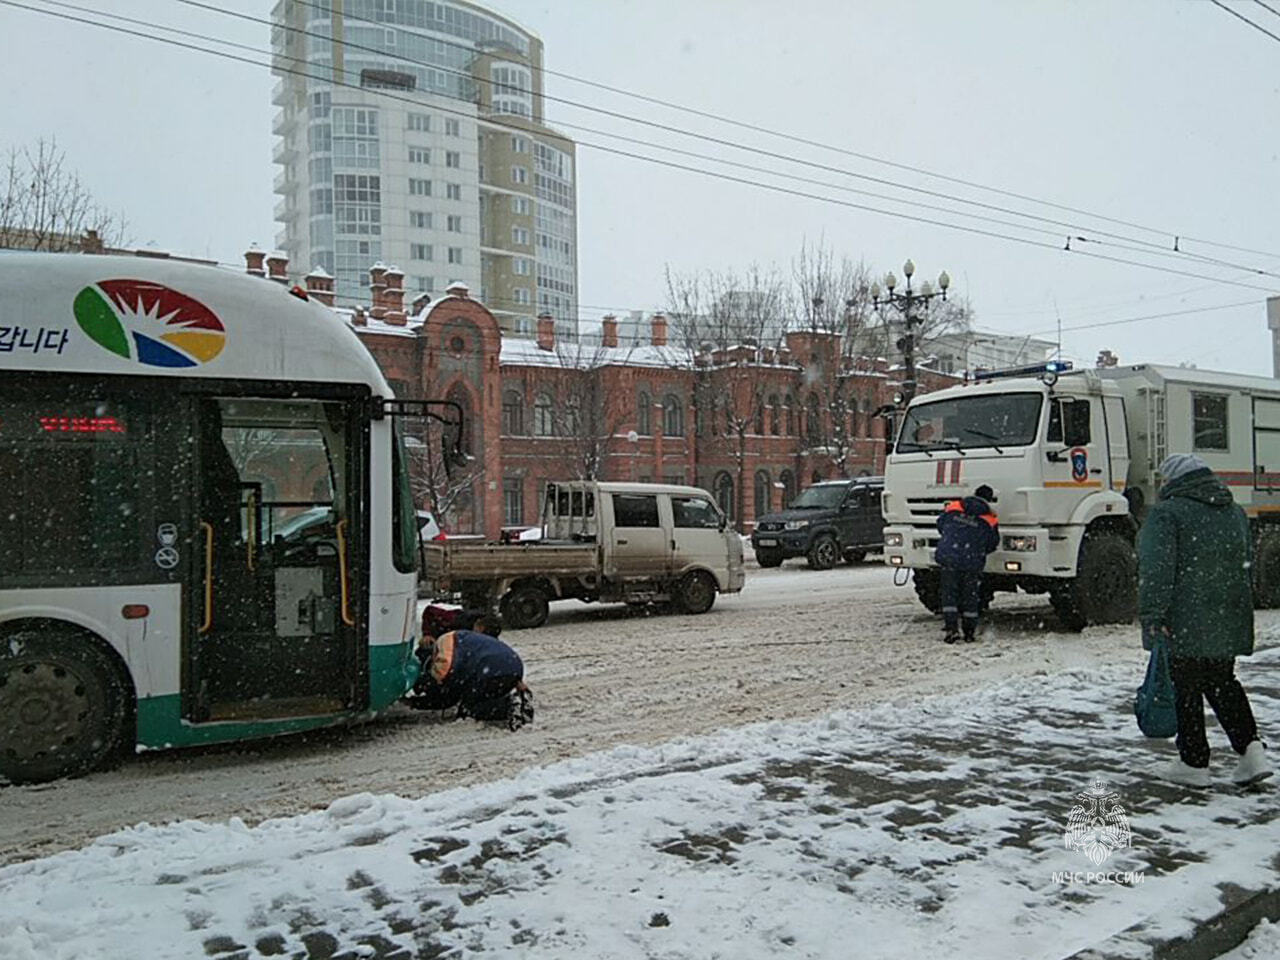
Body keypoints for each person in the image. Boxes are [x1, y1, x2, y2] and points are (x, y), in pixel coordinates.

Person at [1138, 453, 1271, 788]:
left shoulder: (1168, 514)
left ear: (1174, 481)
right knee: (1222, 681)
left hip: (1186, 616)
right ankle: (1252, 750)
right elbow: (1245, 563)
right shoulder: (1233, 511)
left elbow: (1157, 571)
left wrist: (1153, 615)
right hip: (1227, 612)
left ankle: (1194, 762)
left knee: (1185, 685)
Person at [407, 610, 534, 730]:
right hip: (511, 664)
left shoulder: (445, 644)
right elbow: (450, 697)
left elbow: (444, 683)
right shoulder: (466, 638)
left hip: (490, 670)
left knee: (469, 709)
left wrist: (423, 687)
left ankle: (509, 706)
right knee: (483, 695)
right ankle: (512, 700)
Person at [935, 484, 1000, 643]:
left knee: (949, 594)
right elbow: (992, 543)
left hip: (949, 557)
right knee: (970, 596)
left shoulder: (953, 508)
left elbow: (940, 525)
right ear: (989, 499)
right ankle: (969, 633)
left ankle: (951, 630)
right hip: (972, 561)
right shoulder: (989, 519)